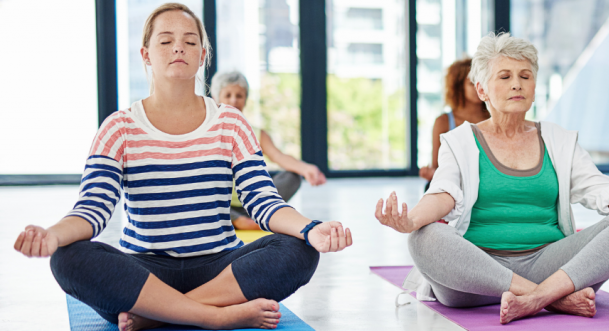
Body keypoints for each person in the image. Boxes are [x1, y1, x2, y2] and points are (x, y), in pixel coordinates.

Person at [11, 4, 353, 330]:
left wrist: (311, 229)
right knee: (68, 258)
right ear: (146, 54)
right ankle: (215, 316)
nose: (179, 48)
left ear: (202, 55)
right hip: (145, 272)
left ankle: (158, 315)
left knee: (298, 249)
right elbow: (91, 211)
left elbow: (263, 201)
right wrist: (51, 235)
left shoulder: (230, 122)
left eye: (190, 41)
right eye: (166, 41)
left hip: (220, 268)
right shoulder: (119, 127)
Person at [375, 32, 609, 325]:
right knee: (424, 237)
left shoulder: (558, 139)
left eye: (525, 77)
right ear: (482, 89)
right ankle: (551, 299)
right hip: (475, 275)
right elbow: (442, 195)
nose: (517, 84)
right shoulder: (460, 140)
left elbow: (604, 191)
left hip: (550, 263)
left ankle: (539, 294)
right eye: (505, 76)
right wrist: (408, 220)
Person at [210, 71, 327, 231]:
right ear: (216, 98)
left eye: (239, 95)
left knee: (292, 176)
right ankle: (238, 220)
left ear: (246, 99)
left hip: (252, 202)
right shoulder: (209, 131)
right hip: (222, 206)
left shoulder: (256, 133)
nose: (234, 100)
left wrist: (306, 169)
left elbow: (278, 156)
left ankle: (256, 215)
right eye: (228, 95)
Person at [419, 58, 490, 190]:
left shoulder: (495, 118)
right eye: (471, 83)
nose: (479, 88)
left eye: (483, 82)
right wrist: (431, 173)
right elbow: (436, 166)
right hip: (455, 184)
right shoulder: (443, 121)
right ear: (459, 87)